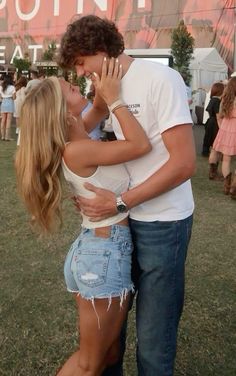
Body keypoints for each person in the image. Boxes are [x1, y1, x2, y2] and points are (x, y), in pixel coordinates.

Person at [59, 15, 196, 376]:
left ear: (99, 51)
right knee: (111, 340)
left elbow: (183, 163)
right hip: (123, 225)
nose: (81, 72)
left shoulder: (159, 78)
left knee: (152, 340)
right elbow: (77, 131)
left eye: (81, 63)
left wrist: (120, 201)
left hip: (163, 222)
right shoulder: (106, 90)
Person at [15, 58, 152, 376]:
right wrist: (116, 97)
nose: (76, 85)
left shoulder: (79, 136)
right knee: (90, 363)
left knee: (109, 354)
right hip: (103, 253)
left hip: (95, 250)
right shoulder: (76, 149)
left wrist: (103, 81)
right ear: (63, 113)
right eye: (70, 88)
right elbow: (140, 144)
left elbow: (98, 110)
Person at [212, 77, 236, 197]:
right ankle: (234, 188)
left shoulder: (225, 99)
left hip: (226, 130)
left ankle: (227, 186)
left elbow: (220, 115)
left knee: (226, 160)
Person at [202, 82, 225, 178]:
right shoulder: (217, 101)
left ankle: (212, 171)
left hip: (210, 122)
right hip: (215, 124)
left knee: (211, 144)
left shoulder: (212, 100)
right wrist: (222, 128)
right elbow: (218, 116)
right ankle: (213, 172)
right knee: (216, 147)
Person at [0, 74, 15, 141]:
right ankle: (7, 137)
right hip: (10, 102)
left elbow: (0, 97)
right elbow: (14, 97)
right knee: (8, 121)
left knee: (3, 120)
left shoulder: (1, 87)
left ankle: (2, 136)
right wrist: (11, 96)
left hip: (3, 103)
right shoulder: (12, 87)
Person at [14, 76, 28, 145]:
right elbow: (23, 98)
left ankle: (17, 129)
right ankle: (20, 130)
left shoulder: (17, 88)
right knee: (21, 116)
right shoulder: (23, 88)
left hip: (16, 102)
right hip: (21, 103)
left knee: (17, 116)